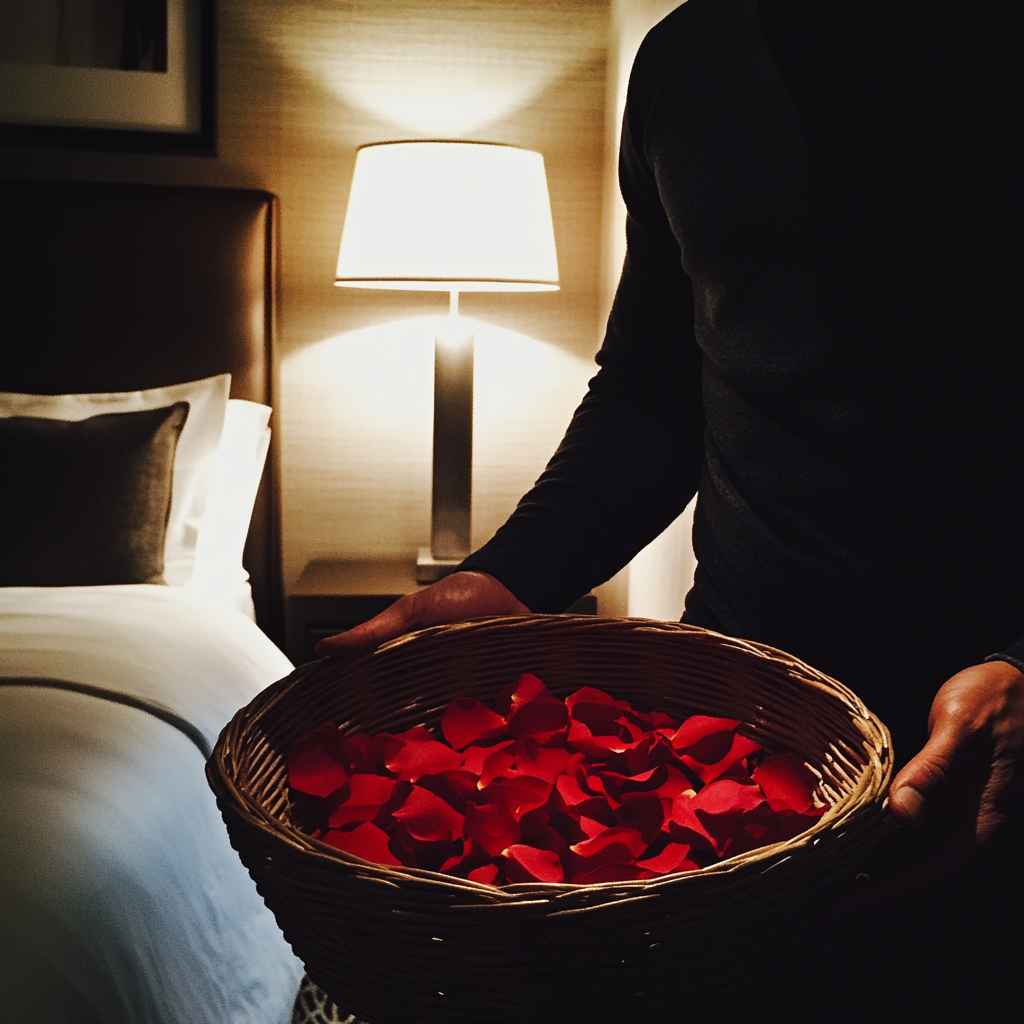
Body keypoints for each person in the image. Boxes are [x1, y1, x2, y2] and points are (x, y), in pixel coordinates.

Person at [317, 3, 1022, 1019]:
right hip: (742, 728)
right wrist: (506, 577)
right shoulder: (689, 59)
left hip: (989, 749)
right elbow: (657, 387)